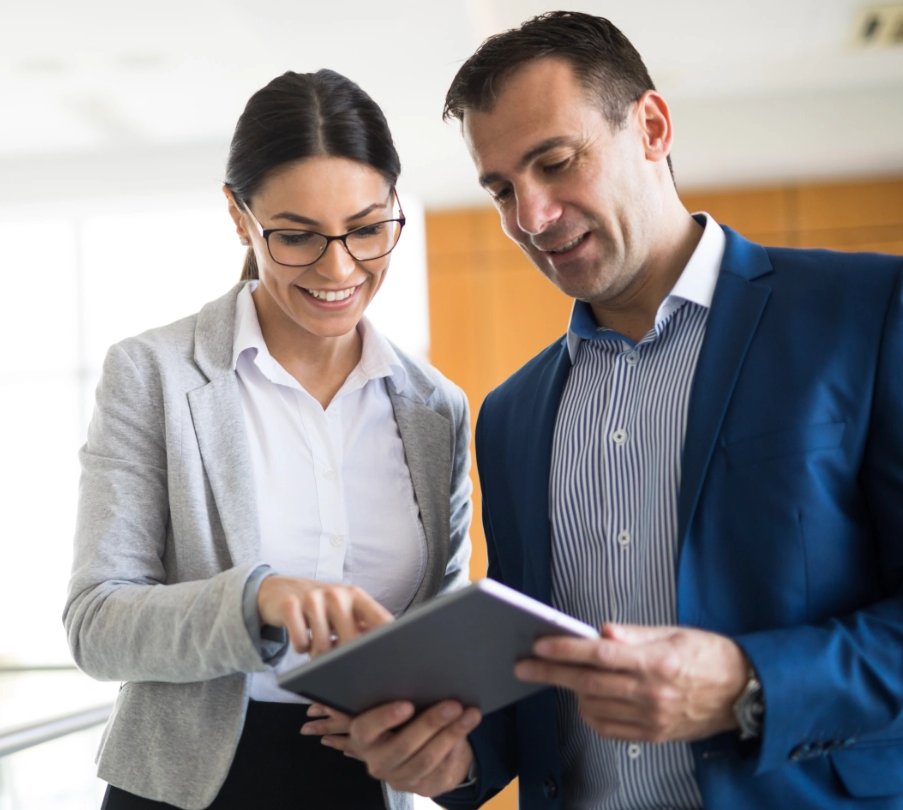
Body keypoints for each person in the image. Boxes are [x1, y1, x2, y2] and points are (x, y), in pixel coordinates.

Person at [330, 11, 903, 809]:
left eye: (556, 162)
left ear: (653, 127)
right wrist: (449, 762)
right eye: (501, 189)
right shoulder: (510, 416)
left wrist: (750, 682)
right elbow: (533, 685)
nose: (529, 218)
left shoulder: (867, 314)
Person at [63, 69, 473, 810]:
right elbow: (97, 624)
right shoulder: (154, 375)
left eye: (368, 229)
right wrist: (260, 601)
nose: (339, 267)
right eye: (296, 237)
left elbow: (435, 626)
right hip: (184, 788)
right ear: (239, 216)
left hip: (365, 787)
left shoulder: (435, 409)